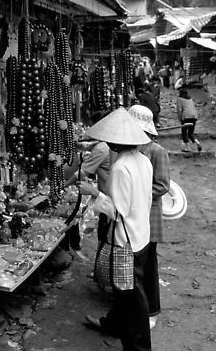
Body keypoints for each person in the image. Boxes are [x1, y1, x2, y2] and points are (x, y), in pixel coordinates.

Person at [78, 107, 153, 351]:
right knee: (129, 295)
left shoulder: (121, 167)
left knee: (130, 298)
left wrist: (94, 193)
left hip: (125, 242)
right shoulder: (143, 161)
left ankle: (137, 348)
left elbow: (118, 211)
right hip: (141, 235)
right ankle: (114, 326)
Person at [128, 105, 170, 330]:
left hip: (150, 216)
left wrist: (139, 193)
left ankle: (152, 309)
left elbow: (163, 185)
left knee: (149, 265)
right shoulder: (130, 148)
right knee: (135, 265)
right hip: (133, 216)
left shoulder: (156, 151)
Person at [63, 111, 111, 258]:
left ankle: (102, 267)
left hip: (107, 195)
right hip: (107, 193)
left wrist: (63, 185)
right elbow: (88, 146)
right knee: (105, 231)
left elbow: (81, 173)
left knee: (105, 232)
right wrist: (76, 144)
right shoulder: (105, 143)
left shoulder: (102, 149)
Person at [176, 87, 202, 152]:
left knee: (184, 132)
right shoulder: (190, 99)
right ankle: (197, 143)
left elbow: (179, 110)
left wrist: (179, 118)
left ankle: (188, 148)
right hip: (194, 116)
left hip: (186, 116)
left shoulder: (179, 99)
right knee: (191, 132)